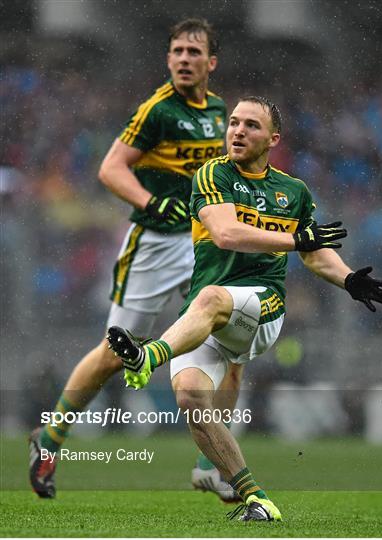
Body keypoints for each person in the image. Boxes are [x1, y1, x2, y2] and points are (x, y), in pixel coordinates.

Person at [107, 96, 382, 522]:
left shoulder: (293, 191)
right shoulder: (212, 174)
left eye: (251, 126)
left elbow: (315, 254)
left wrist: (348, 278)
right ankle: (255, 498)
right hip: (206, 315)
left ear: (273, 139)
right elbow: (225, 233)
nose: (238, 131)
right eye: (234, 123)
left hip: (263, 307)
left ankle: (147, 355)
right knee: (189, 399)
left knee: (210, 300)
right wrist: (298, 241)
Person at [29, 18, 241, 503]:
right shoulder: (158, 110)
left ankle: (212, 464)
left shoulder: (219, 111)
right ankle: (51, 437)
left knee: (232, 351)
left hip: (202, 245)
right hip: (153, 245)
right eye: (177, 51)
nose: (184, 59)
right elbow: (110, 168)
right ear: (168, 60)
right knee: (111, 352)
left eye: (193, 51)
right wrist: (150, 203)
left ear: (211, 63)